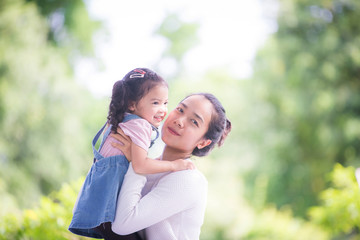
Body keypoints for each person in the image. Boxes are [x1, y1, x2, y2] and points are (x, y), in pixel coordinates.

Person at [69, 68, 194, 239]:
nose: (163, 110)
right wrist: (175, 165)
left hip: (99, 205)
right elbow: (140, 165)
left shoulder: (119, 121)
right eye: (155, 103)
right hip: (111, 209)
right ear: (132, 104)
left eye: (165, 103)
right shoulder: (140, 126)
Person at [110, 93, 232, 240]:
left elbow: (122, 224)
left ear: (203, 142)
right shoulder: (148, 165)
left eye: (194, 122)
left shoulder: (189, 179)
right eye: (180, 110)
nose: (179, 121)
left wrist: (137, 162)